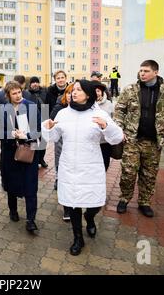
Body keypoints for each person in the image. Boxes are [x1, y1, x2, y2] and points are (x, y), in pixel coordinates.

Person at [42, 80, 123, 256]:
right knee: (73, 204)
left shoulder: (99, 114)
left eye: (78, 90)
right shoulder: (63, 113)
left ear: (88, 94)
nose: (73, 92)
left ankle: (90, 217)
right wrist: (47, 128)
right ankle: (78, 238)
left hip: (91, 166)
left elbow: (117, 138)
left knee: (95, 203)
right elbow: (53, 137)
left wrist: (106, 126)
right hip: (69, 165)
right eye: (72, 90)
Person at [114, 60, 164, 218]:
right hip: (132, 139)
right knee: (128, 172)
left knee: (149, 174)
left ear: (155, 72)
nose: (142, 73)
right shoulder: (130, 89)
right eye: (141, 71)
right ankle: (124, 199)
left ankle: (144, 202)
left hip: (153, 142)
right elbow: (119, 110)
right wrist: (119, 129)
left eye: (146, 71)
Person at [0, 81, 41, 232]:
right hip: (10, 153)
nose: (18, 96)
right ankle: (13, 210)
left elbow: (39, 130)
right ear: (8, 95)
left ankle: (31, 219)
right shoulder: (3, 109)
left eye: (19, 92)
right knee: (11, 184)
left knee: (31, 186)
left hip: (29, 151)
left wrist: (26, 134)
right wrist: (11, 134)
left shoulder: (31, 106)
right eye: (14, 93)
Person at [50, 83, 74, 222]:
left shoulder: (87, 111)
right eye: (69, 92)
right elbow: (52, 127)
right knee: (63, 177)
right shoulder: (61, 110)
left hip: (77, 153)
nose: (71, 95)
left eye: (75, 92)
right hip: (61, 148)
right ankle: (66, 208)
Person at [26, 76, 49, 168]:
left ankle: (41, 159)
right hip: (32, 121)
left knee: (43, 141)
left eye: (36, 82)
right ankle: (34, 160)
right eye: (33, 82)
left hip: (44, 119)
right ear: (30, 84)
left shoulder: (44, 92)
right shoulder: (27, 94)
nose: (35, 84)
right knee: (33, 142)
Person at [94, 82, 115, 171]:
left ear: (102, 92)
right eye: (94, 91)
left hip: (105, 142)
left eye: (98, 91)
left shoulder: (109, 104)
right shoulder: (88, 105)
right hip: (93, 141)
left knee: (104, 165)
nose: (96, 93)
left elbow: (114, 121)